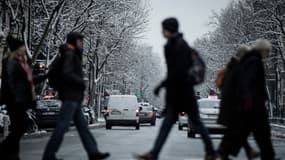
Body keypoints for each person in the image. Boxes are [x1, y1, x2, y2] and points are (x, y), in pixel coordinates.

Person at [136, 18, 216, 160]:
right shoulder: (177, 44)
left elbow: (176, 72)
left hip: (182, 94)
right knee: (175, 125)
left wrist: (162, 85)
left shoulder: (177, 46)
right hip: (182, 93)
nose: (161, 31)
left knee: (189, 124)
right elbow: (175, 72)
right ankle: (154, 153)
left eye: (163, 28)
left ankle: (211, 152)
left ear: (168, 29)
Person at [42, 32, 110, 160]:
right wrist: (81, 82)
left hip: (73, 97)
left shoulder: (70, 53)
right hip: (70, 96)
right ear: (74, 41)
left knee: (83, 127)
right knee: (62, 127)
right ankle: (48, 155)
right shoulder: (70, 53)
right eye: (80, 41)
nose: (81, 43)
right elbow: (67, 73)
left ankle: (93, 152)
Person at [0, 35, 47, 160]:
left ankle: (13, 154)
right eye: (22, 47)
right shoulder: (12, 62)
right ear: (17, 49)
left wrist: (44, 76)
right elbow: (12, 83)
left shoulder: (20, 62)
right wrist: (16, 98)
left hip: (19, 99)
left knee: (18, 127)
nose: (24, 49)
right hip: (15, 100)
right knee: (20, 126)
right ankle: (6, 150)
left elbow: (27, 81)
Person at [235, 39, 276, 160]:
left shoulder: (250, 59)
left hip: (252, 103)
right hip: (255, 104)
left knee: (255, 133)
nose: (268, 55)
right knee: (262, 132)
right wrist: (249, 100)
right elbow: (248, 82)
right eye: (268, 52)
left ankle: (268, 155)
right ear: (262, 50)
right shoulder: (255, 61)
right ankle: (268, 156)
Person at [216, 46, 259, 160]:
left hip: (229, 106)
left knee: (236, 131)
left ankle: (227, 152)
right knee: (238, 130)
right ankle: (222, 152)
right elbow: (239, 88)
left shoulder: (231, 67)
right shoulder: (237, 69)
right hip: (234, 107)